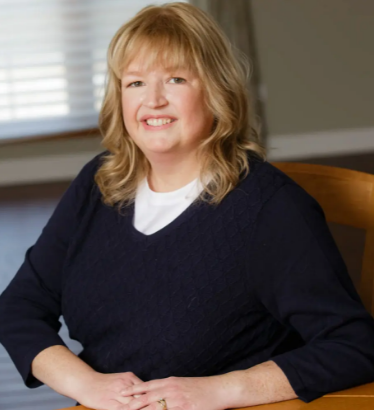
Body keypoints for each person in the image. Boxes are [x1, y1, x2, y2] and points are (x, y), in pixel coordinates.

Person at [1, 2, 374, 410]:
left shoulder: (271, 207)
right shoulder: (99, 183)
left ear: (217, 91)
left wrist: (221, 389)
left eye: (176, 79)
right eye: (136, 83)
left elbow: (354, 345)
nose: (154, 100)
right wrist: (86, 385)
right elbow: (19, 307)